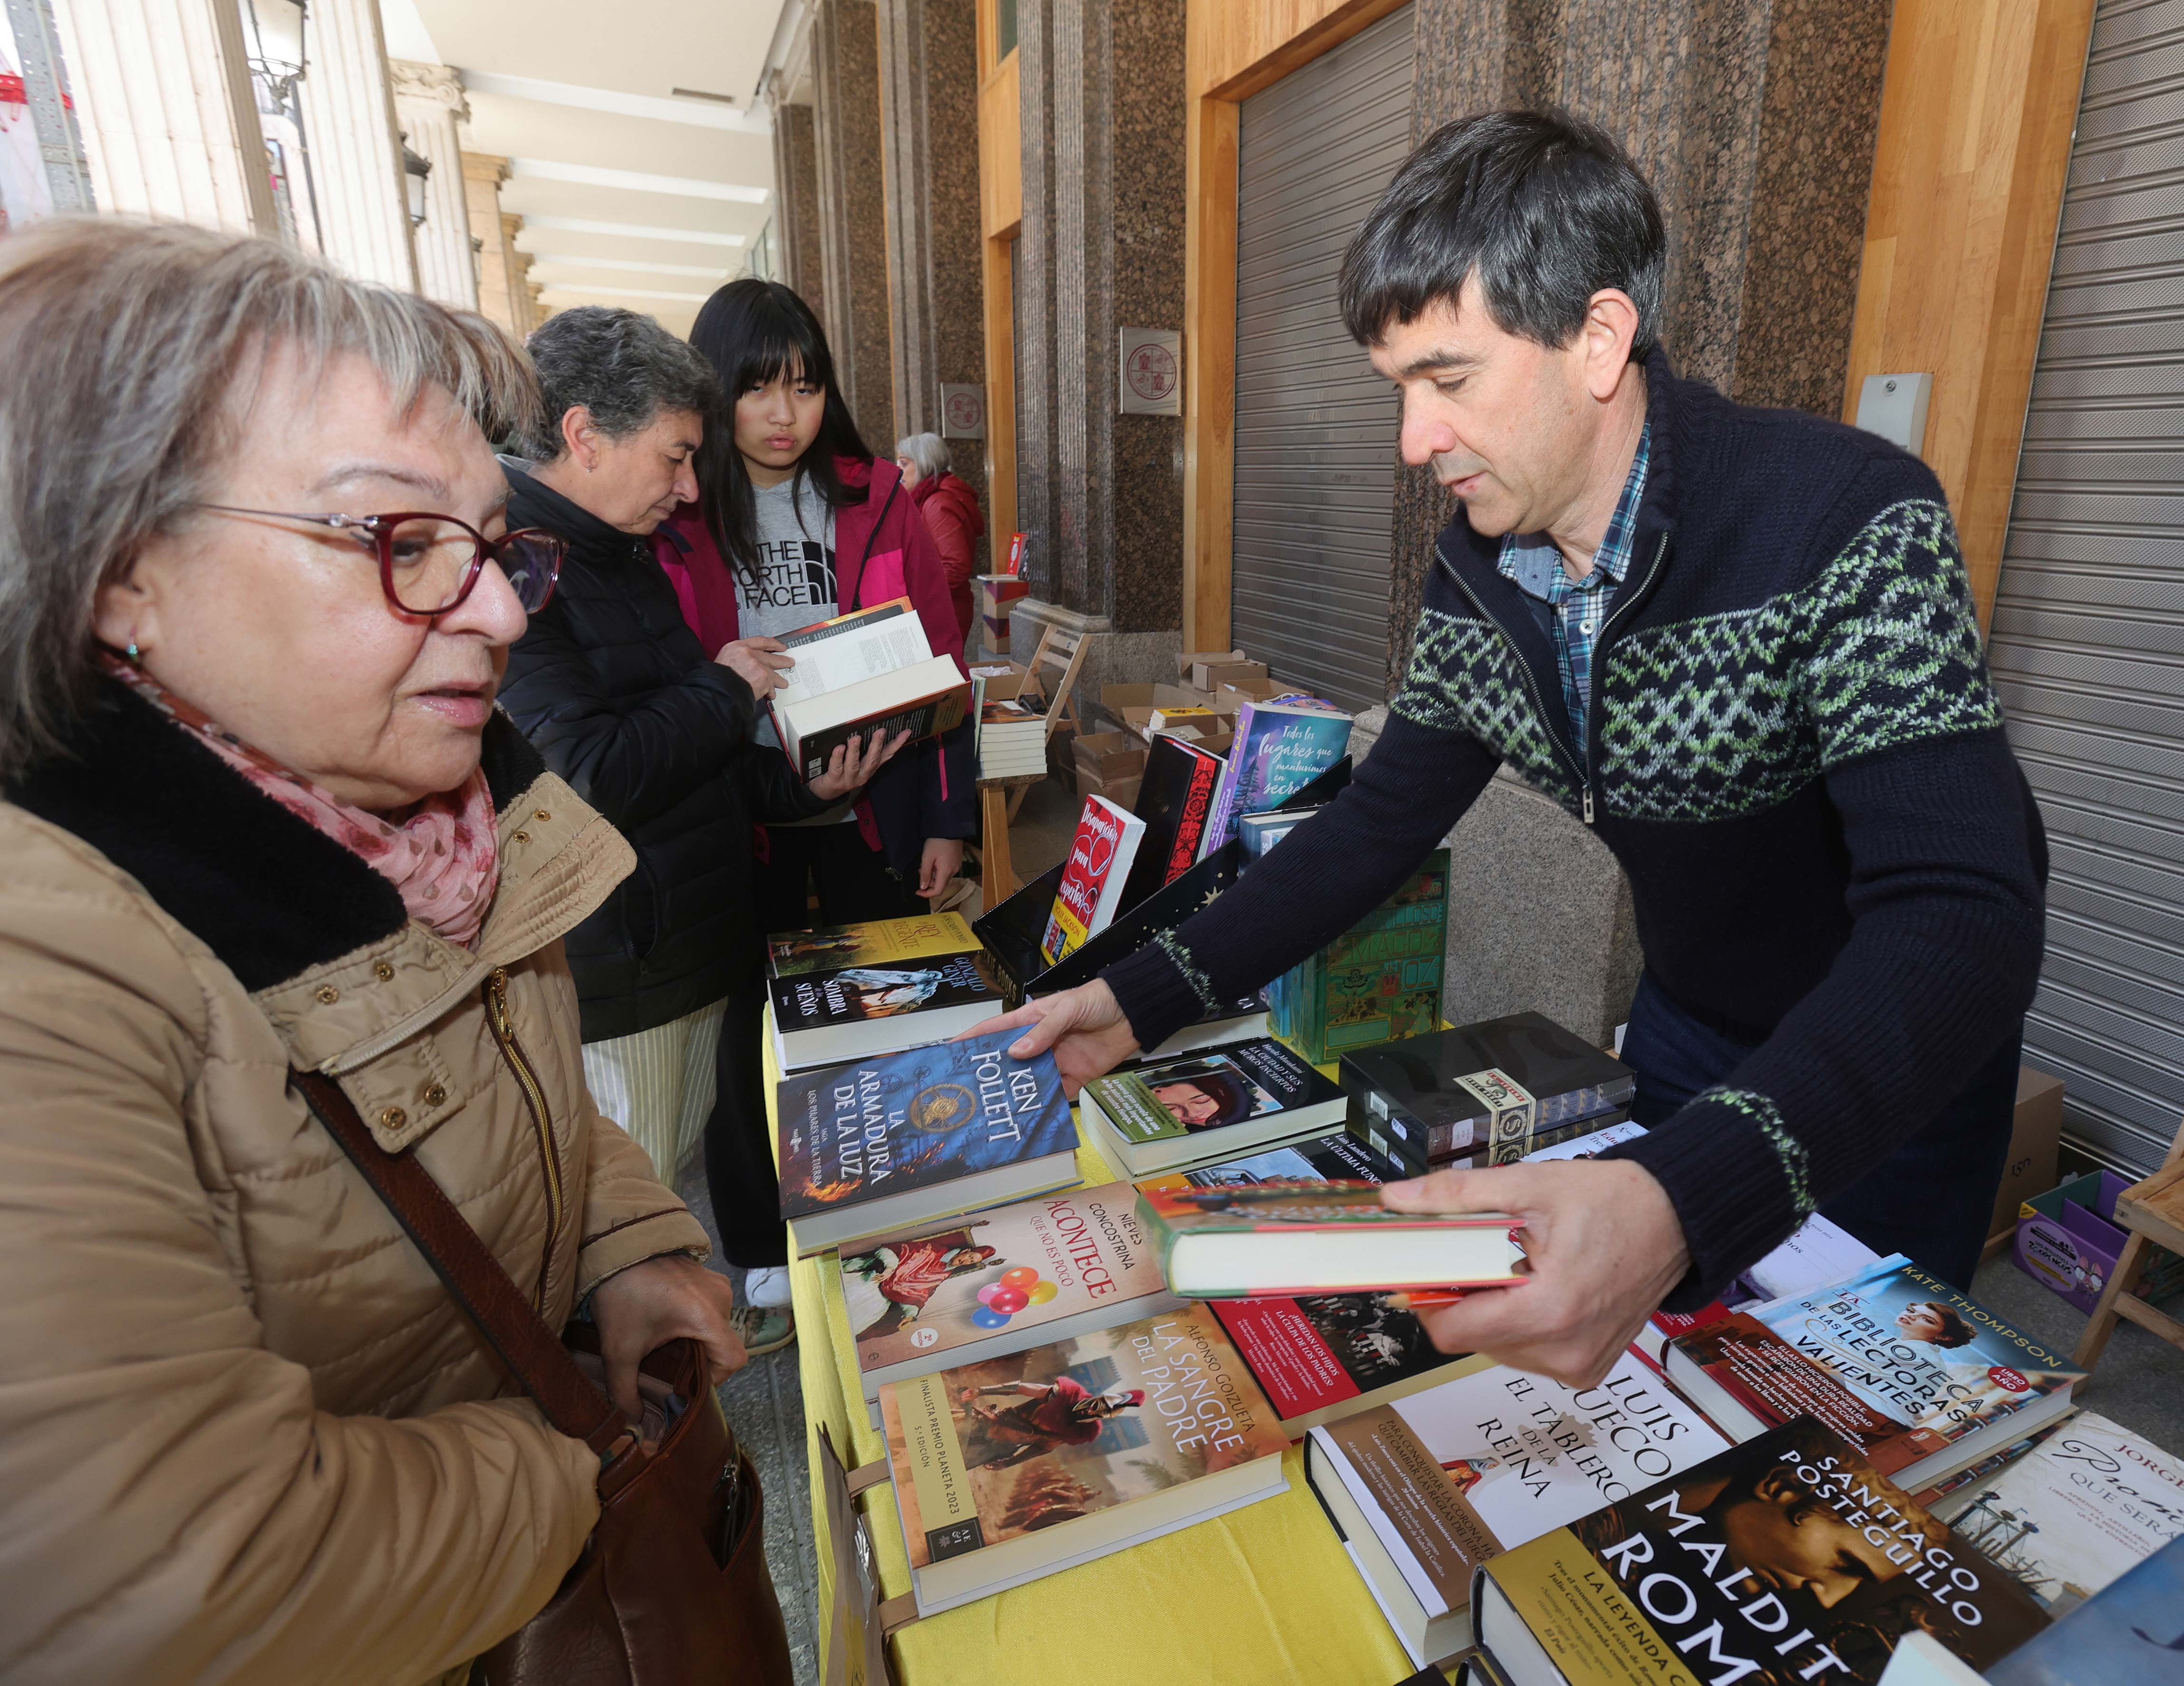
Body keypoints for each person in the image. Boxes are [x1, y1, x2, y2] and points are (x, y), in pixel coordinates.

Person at [982, 109, 2047, 1390]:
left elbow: (1964, 917)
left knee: (1843, 1427)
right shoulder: (1482, 570)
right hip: (1691, 1024)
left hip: (1887, 1059)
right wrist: (1137, 994)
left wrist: (1685, 1192)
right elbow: (1376, 825)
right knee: (1652, 1383)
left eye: (1449, 380)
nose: (1412, 443)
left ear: (1596, 339)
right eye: (1399, 393)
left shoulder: (1845, 518)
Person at [0, 221, 750, 1683]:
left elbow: (518, 1091)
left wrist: (633, 1250)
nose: (493, 610)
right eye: (397, 542)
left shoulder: (440, 817)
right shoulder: (50, 972)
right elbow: (176, 1578)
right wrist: (573, 1463)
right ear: (119, 574)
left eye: (487, 544)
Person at [497, 305, 901, 1358]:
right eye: (676, 457)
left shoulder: (614, 551)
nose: (688, 488)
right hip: (626, 967)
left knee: (649, 1194)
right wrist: (725, 688)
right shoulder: (519, 568)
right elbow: (589, 773)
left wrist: (808, 787)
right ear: (584, 436)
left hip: (686, 943)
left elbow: (690, 764)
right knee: (616, 1227)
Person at [668, 278, 977, 934]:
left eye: (804, 388)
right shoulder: (677, 515)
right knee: (762, 1018)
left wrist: (947, 821)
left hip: (872, 813)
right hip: (739, 821)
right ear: (714, 390)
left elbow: (943, 662)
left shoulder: (881, 501)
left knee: (879, 1001)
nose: (784, 414)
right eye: (758, 389)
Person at [896, 430, 985, 643]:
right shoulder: (926, 499)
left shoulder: (937, 504)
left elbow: (956, 567)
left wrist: (918, 594)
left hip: (942, 612)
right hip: (937, 609)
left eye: (905, 464)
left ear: (925, 463)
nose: (898, 472)